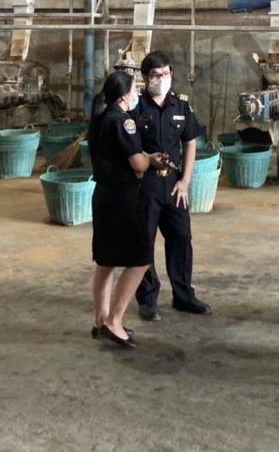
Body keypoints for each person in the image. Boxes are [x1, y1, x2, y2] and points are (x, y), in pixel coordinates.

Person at [89, 71, 169, 348]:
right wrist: (149, 161)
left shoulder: (100, 119)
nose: (137, 93)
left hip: (103, 197)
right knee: (141, 258)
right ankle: (115, 321)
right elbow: (136, 164)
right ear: (124, 94)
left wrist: (144, 157)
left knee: (106, 261)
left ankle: (100, 321)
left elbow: (118, 154)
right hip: (123, 198)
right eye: (135, 89)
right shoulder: (124, 121)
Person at [131, 51, 211, 321]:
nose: (161, 79)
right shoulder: (135, 107)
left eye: (165, 74)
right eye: (155, 75)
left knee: (181, 238)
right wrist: (146, 160)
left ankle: (183, 295)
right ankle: (147, 299)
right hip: (145, 184)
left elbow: (190, 143)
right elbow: (128, 147)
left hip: (174, 184)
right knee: (144, 241)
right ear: (145, 77)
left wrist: (185, 181)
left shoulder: (181, 106)